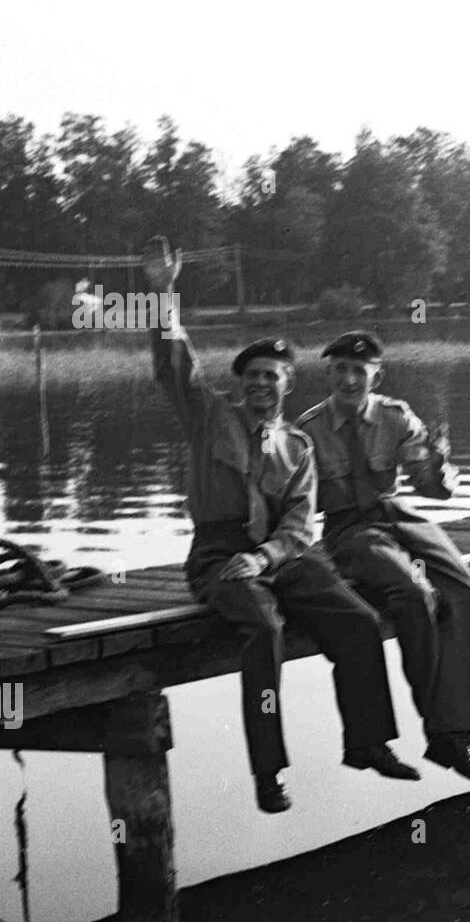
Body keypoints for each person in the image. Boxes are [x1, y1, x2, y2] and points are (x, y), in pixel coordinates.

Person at [141, 239, 398, 814]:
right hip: (218, 555)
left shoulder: (298, 446)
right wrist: (162, 291)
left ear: (288, 386)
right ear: (240, 384)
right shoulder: (210, 418)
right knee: (265, 628)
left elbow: (301, 525)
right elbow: (173, 365)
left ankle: (368, 741)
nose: (261, 384)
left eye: (273, 377)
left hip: (279, 556)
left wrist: (267, 558)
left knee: (356, 619)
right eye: (253, 375)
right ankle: (267, 770)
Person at [296, 330, 470, 786]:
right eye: (340, 370)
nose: (349, 380)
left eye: (358, 371)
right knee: (413, 593)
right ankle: (444, 730)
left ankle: (456, 725)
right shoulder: (307, 430)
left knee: (468, 594)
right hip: (351, 529)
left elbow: (431, 487)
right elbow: (294, 503)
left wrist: (440, 464)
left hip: (399, 515)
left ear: (376, 374)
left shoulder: (395, 415)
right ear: (328, 373)